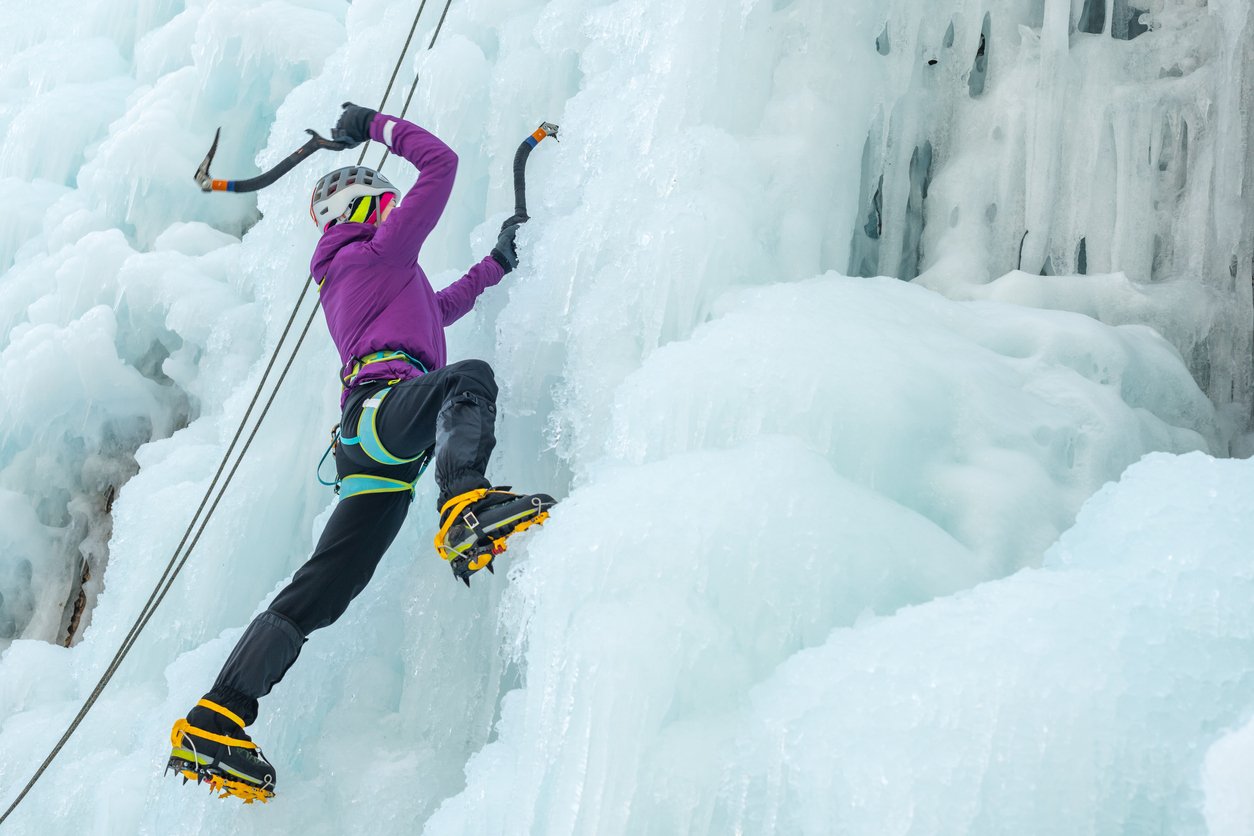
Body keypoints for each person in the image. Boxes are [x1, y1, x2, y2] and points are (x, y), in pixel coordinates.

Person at [166, 103, 554, 801]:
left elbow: (441, 306)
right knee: (468, 379)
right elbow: (442, 163)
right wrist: (374, 125)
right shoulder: (373, 253)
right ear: (370, 207)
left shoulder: (370, 277)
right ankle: (463, 499)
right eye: (388, 203)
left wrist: (497, 263)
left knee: (320, 590)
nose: (398, 209)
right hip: (382, 414)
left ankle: (217, 714)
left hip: (373, 448)